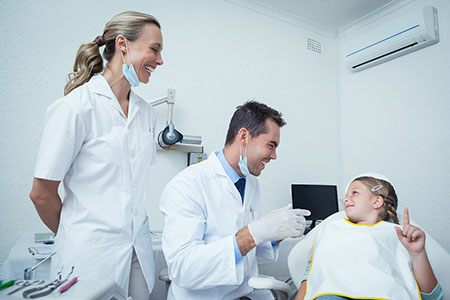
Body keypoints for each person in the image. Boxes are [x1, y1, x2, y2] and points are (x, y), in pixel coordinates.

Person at [29, 11, 164, 300]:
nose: (160, 60)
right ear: (123, 44)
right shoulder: (75, 108)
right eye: (154, 49)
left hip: (138, 255)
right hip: (89, 258)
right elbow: (41, 194)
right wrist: (77, 234)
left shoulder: (146, 113)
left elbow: (133, 187)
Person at [159, 101, 311, 300]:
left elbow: (240, 244)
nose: (274, 156)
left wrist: (274, 234)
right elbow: (183, 268)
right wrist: (253, 233)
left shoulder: (250, 183)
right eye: (271, 145)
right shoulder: (187, 185)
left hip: (243, 293)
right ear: (244, 137)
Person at [295, 173, 443, 300]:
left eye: (354, 192)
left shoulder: (399, 236)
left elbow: (433, 296)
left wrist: (417, 254)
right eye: (346, 195)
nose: (346, 199)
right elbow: (309, 279)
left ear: (377, 201)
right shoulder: (330, 230)